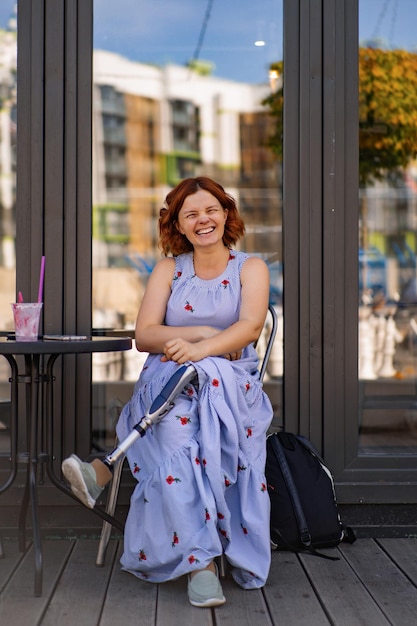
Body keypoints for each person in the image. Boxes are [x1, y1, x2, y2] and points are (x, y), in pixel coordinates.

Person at [62, 176, 273, 608]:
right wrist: (200, 333)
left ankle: (104, 468)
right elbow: (145, 335)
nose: (203, 220)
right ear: (177, 223)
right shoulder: (168, 269)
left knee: (193, 408)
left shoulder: (250, 267)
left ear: (226, 213)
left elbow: (250, 328)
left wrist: (200, 350)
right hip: (168, 382)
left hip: (229, 388)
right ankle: (203, 565)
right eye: (191, 214)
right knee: (178, 431)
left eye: (211, 209)